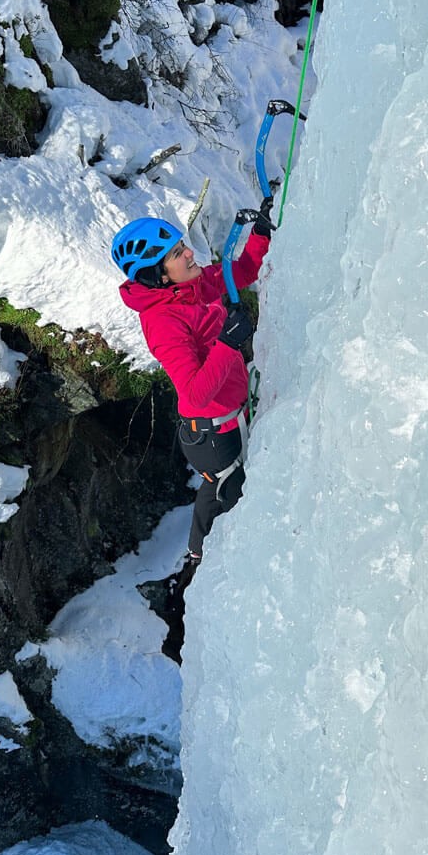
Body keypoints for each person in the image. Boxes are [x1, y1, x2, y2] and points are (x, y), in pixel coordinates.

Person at [112, 199, 273, 578]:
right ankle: (199, 570)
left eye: (182, 245)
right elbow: (194, 395)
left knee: (231, 493)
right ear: (159, 275)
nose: (188, 253)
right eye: (176, 253)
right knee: (228, 498)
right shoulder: (163, 321)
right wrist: (228, 344)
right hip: (214, 436)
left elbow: (243, 271)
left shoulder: (193, 285)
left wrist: (261, 233)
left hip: (234, 414)